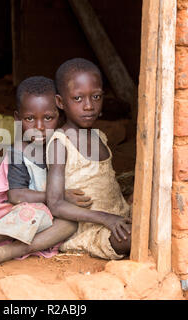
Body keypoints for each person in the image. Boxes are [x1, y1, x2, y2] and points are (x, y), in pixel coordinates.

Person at [0, 76, 91, 266]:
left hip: (49, 214)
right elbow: (16, 195)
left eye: (48, 118)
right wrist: (59, 196)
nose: (39, 127)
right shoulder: (18, 153)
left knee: (69, 223)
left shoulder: (61, 146)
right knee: (32, 213)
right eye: (30, 119)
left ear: (60, 115)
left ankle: (14, 250)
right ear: (17, 118)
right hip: (15, 213)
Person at [46, 58, 132, 260]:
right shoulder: (60, 143)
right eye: (78, 98)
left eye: (96, 97)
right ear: (60, 102)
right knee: (138, 237)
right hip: (88, 229)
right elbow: (55, 203)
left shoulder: (99, 137)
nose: (88, 106)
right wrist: (105, 218)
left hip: (120, 216)